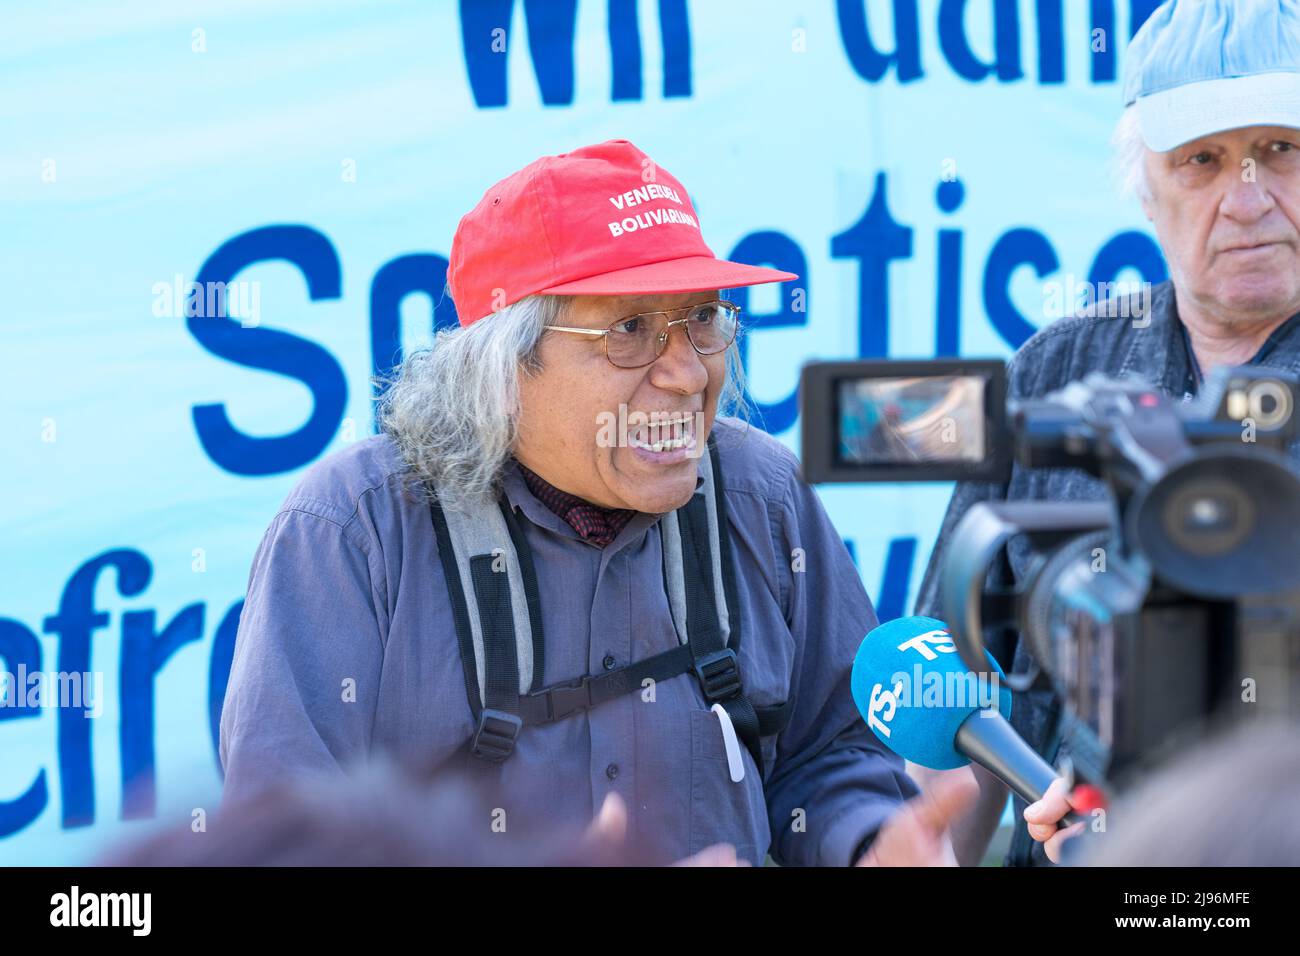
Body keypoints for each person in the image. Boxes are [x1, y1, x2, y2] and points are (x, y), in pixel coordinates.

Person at [219, 138, 978, 866]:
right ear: (504, 368)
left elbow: (827, 754)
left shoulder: (761, 494)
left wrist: (872, 841)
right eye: (631, 330)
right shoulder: (354, 533)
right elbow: (282, 845)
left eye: (703, 319)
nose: (687, 374)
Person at [914, 0, 1300, 866]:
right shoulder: (1056, 372)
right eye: (1204, 159)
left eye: (1282, 149)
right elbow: (953, 689)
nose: (1248, 198)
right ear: (1146, 187)